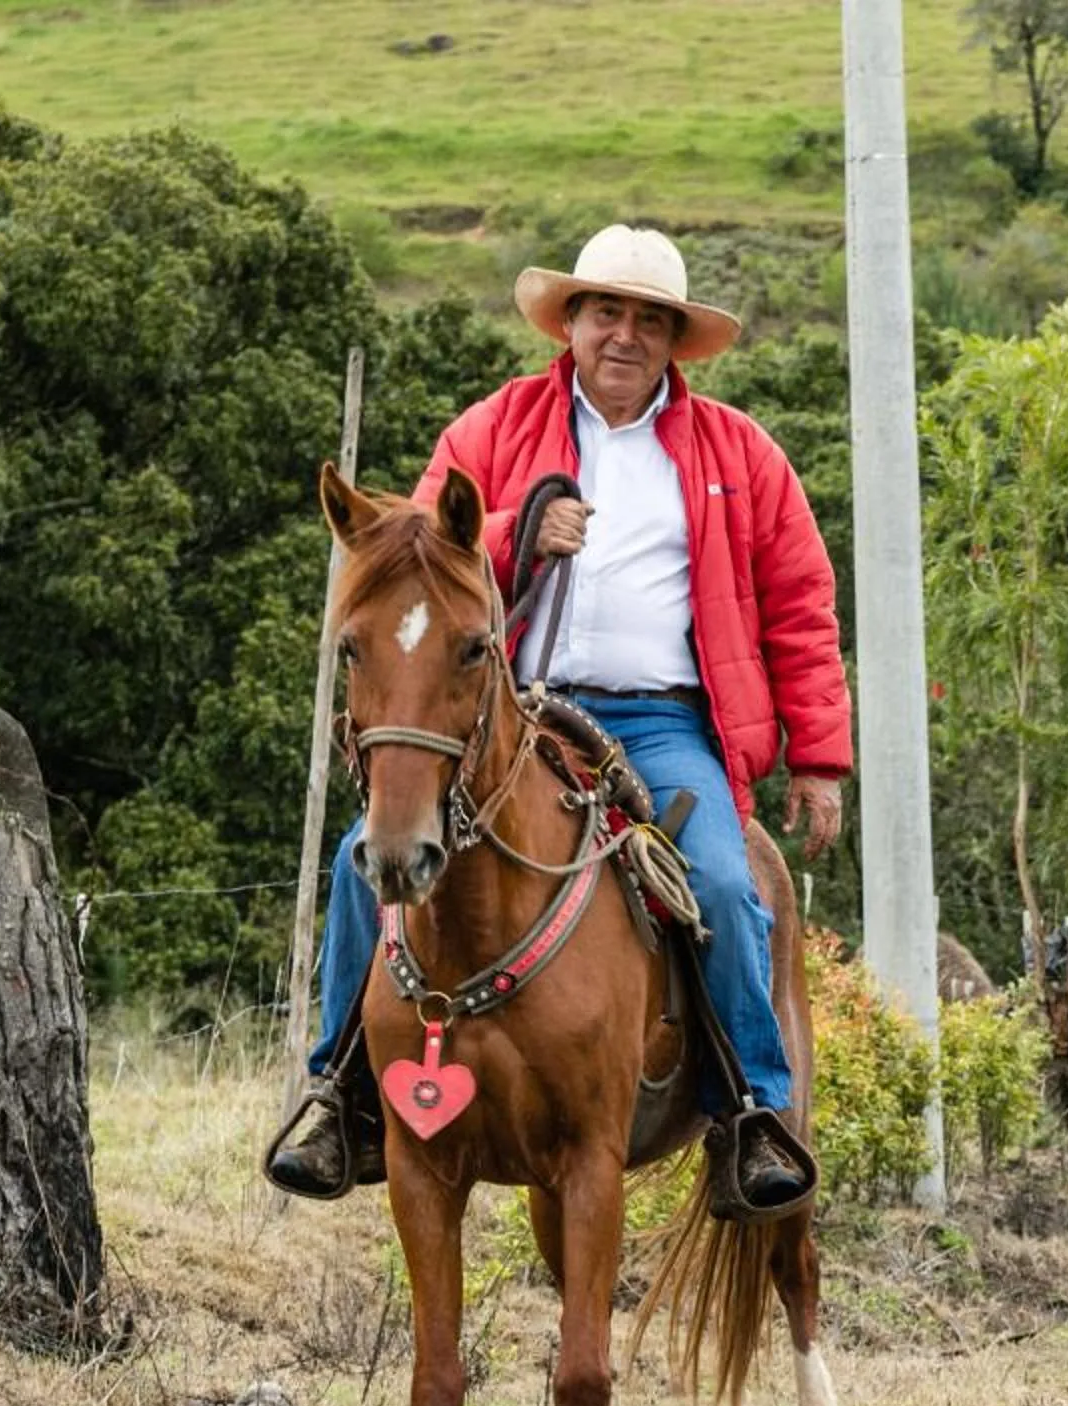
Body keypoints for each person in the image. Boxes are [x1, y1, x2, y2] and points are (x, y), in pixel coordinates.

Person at [270, 224, 851, 1206]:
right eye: (606, 312)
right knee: (359, 860)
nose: (625, 335)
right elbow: (409, 568)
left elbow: (799, 600)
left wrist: (820, 758)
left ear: (674, 339)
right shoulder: (492, 430)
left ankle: (751, 1108)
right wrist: (514, 529)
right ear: (571, 323)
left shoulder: (738, 454)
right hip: (515, 713)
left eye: (649, 320)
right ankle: (339, 1093)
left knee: (719, 875)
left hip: (664, 722)